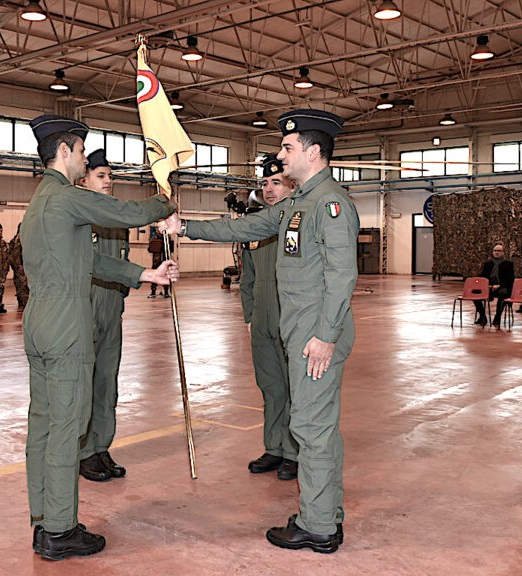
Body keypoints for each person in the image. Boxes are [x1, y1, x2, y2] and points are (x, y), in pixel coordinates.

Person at [160, 109, 358, 554]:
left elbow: (343, 275)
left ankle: (319, 526)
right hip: (300, 330)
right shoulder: (299, 202)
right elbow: (247, 225)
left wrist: (325, 336)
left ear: (312, 151)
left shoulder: (330, 204)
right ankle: (323, 512)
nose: (281, 153)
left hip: (315, 335)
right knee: (314, 425)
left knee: (311, 426)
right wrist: (185, 226)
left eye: (288, 147)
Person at [22, 114, 177, 561]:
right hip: (68, 324)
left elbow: (88, 261)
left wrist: (144, 272)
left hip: (38, 323)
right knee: (67, 428)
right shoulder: (68, 196)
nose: (85, 159)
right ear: (65, 151)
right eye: (82, 151)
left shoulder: (40, 202)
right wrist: (163, 199)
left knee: (44, 426)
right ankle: (60, 528)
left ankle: (42, 520)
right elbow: (125, 213)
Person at [240, 154, 299, 481]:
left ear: (292, 184)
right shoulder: (258, 226)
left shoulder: (299, 224)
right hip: (261, 322)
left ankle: (293, 451)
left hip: (290, 321)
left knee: (293, 389)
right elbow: (247, 279)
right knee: (271, 387)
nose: (269, 190)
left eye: (276, 182)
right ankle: (274, 447)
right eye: (265, 184)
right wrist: (250, 316)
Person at [76, 148, 130, 482]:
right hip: (85, 307)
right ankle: (82, 451)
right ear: (84, 180)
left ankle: (100, 446)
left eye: (110, 176)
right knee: (83, 384)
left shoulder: (116, 215)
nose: (108, 181)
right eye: (101, 176)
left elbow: (121, 259)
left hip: (112, 308)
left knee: (107, 384)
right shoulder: (78, 213)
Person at [474, 243, 515, 327]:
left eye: (499, 251)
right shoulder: (487, 264)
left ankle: (497, 317)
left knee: (503, 293)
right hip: (489, 287)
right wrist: (488, 286)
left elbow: (510, 279)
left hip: (502, 287)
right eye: (495, 251)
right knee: (475, 293)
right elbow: (483, 277)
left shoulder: (508, 264)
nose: (496, 252)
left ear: (503, 252)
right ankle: (482, 316)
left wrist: (498, 285)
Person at [148, 227, 173, 298]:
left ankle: (166, 292)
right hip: (156, 261)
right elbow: (150, 249)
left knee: (166, 276)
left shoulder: (167, 239)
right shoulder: (154, 239)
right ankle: (153, 292)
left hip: (164, 260)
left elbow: (171, 249)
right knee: (154, 276)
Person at [9, 224, 29, 309]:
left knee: (21, 285)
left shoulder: (18, 238)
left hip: (21, 266)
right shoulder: (19, 238)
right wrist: (19, 265)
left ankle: (22, 301)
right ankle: (24, 302)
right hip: (21, 266)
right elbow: (16, 254)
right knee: (23, 285)